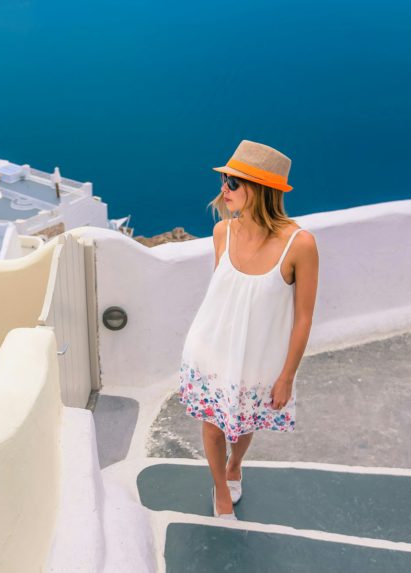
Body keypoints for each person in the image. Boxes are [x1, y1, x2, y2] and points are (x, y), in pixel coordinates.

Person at [178, 140, 319, 520]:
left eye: (233, 182)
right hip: (210, 349)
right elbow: (221, 296)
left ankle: (235, 464)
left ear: (260, 190)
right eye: (224, 179)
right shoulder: (223, 232)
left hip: (258, 359)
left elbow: (303, 316)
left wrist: (287, 376)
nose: (224, 189)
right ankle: (220, 489)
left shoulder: (300, 244)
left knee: (241, 425)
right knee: (212, 427)